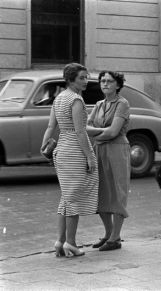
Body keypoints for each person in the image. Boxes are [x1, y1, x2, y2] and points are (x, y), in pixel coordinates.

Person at [41, 63, 98, 257]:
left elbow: (50, 126)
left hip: (61, 150)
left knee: (66, 197)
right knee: (73, 198)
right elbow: (80, 132)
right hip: (75, 150)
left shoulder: (59, 99)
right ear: (71, 79)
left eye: (86, 77)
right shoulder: (76, 100)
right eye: (82, 77)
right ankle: (71, 243)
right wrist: (90, 156)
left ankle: (60, 241)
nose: (86, 80)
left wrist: (44, 147)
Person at [87, 71, 130, 251]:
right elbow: (85, 127)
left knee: (117, 191)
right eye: (102, 81)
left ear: (118, 85)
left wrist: (98, 132)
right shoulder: (99, 105)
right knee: (101, 192)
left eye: (110, 81)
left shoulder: (122, 104)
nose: (105, 84)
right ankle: (109, 233)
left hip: (117, 150)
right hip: (99, 150)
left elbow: (114, 132)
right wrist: (103, 133)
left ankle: (116, 237)